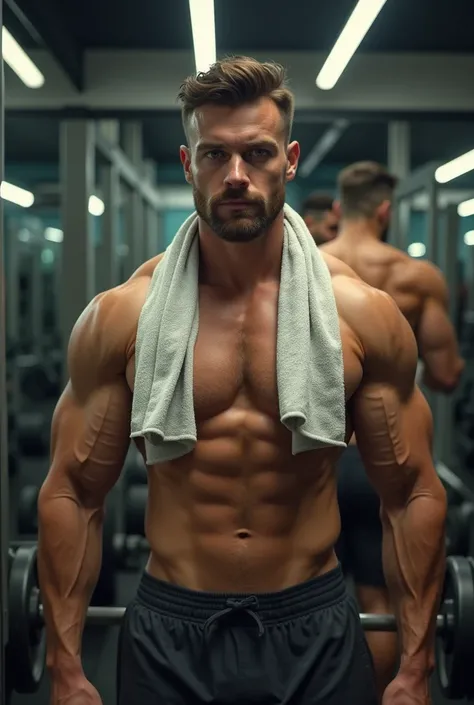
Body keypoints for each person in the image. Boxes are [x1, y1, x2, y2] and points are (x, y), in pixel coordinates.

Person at [37, 58, 446, 705]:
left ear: (288, 159)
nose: (236, 176)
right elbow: (73, 492)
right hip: (170, 623)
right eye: (214, 154)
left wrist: (416, 668)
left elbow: (413, 493)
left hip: (313, 619)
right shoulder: (122, 315)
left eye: (256, 154)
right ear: (186, 160)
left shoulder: (360, 314)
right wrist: (64, 667)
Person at [320, 160, 464, 699]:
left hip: (319, 454)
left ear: (337, 208)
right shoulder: (415, 277)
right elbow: (447, 375)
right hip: (389, 455)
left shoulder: (309, 269)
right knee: (379, 603)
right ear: (386, 210)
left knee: (304, 592)